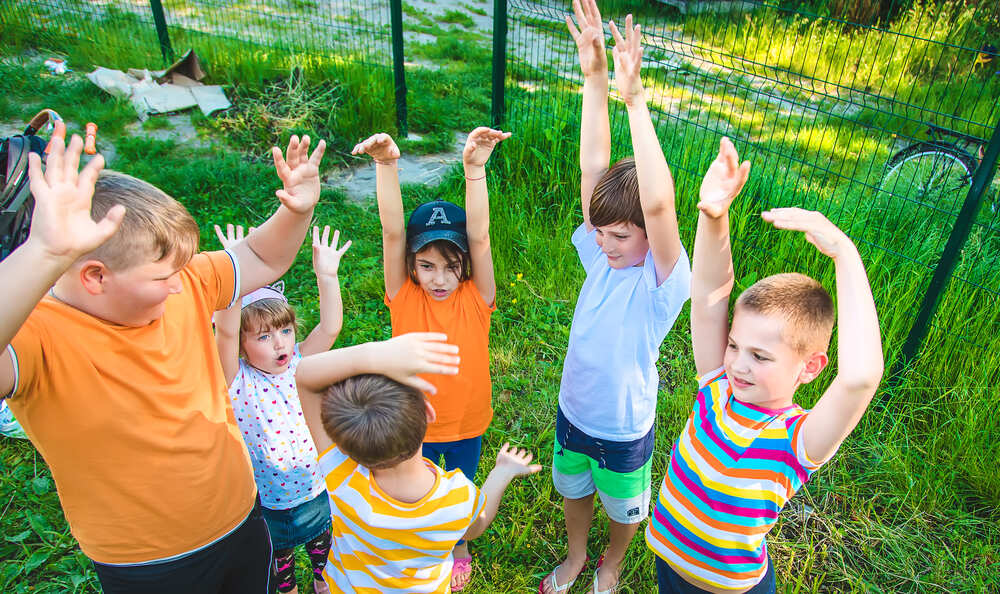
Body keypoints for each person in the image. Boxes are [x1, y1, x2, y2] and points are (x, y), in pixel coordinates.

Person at [0, 122, 328, 594]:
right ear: (95, 277)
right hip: (148, 562)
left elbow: (260, 256)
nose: (180, 284)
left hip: (241, 518)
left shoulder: (185, 283)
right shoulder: (35, 335)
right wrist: (45, 251)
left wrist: (298, 211)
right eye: (162, 277)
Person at [645, 138, 884, 593]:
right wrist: (713, 216)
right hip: (669, 567)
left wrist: (845, 256)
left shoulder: (796, 440)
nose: (736, 363)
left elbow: (860, 378)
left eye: (760, 356)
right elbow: (709, 297)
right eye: (735, 346)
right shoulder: (716, 387)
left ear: (810, 368)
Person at [542, 6, 692, 594]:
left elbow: (658, 206)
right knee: (573, 493)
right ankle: (578, 554)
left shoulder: (660, 281)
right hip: (573, 413)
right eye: (599, 231)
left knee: (622, 511)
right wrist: (594, 78)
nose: (602, 242)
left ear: (649, 237)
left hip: (626, 429)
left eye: (619, 235)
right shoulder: (601, 253)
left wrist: (635, 100)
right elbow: (593, 168)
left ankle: (611, 561)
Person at [350, 126, 510, 590]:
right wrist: (386, 165)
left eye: (450, 264)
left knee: (459, 490)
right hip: (411, 422)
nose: (439, 277)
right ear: (410, 266)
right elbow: (392, 231)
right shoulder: (403, 295)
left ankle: (458, 542)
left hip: (466, 422)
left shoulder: (477, 297)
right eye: (426, 265)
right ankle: (416, 541)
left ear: (465, 264)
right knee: (409, 493)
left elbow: (479, 237)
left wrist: (474, 170)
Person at [294, 332, 541, 593]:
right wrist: (502, 472)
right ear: (429, 412)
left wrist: (372, 354)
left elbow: (304, 377)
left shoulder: (341, 476)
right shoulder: (456, 497)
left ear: (342, 445)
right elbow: (474, 527)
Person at [213, 223, 351, 594]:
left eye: (285, 331)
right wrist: (234, 273)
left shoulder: (300, 364)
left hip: (316, 491)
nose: (280, 343)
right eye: (263, 336)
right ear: (242, 345)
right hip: (268, 504)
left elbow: (331, 326)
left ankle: (324, 584)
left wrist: (327, 276)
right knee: (281, 573)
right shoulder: (235, 379)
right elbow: (224, 333)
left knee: (327, 565)